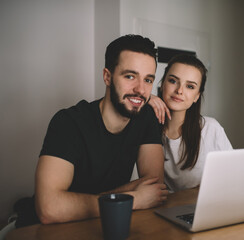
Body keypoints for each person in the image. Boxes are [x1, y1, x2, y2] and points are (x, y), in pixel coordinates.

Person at [15, 34, 169, 228]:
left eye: (148, 80)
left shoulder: (145, 118)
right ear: (107, 76)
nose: (140, 89)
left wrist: (74, 202)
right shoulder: (68, 122)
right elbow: (49, 209)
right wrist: (134, 198)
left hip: (102, 225)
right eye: (130, 76)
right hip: (43, 230)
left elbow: (154, 188)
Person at [149, 54, 233, 192]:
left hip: (206, 207)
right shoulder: (148, 129)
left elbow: (234, 175)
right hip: (164, 208)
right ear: (162, 83)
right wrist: (146, 98)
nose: (179, 91)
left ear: (197, 96)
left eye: (190, 86)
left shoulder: (211, 129)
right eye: (172, 81)